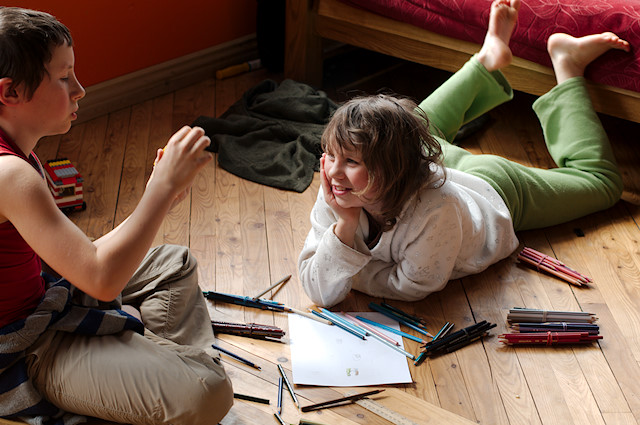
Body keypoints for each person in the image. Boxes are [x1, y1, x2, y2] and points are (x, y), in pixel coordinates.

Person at [298, 0, 629, 308]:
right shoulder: (342, 190)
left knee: (602, 183)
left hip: (491, 186)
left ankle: (567, 64)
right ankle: (487, 59)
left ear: (392, 169)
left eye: (351, 161)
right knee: (405, 127)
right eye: (330, 155)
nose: (333, 172)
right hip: (422, 160)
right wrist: (345, 225)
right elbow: (318, 289)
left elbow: (410, 287)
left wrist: (351, 271)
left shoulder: (434, 210)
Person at [0, 7, 233, 425]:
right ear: (9, 92)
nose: (80, 89)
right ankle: (156, 369)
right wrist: (159, 193)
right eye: (63, 76)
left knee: (174, 263)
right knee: (208, 392)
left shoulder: (19, 154)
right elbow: (100, 279)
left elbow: (82, 262)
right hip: (28, 344)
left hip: (47, 292)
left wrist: (154, 196)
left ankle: (139, 365)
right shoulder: (9, 174)